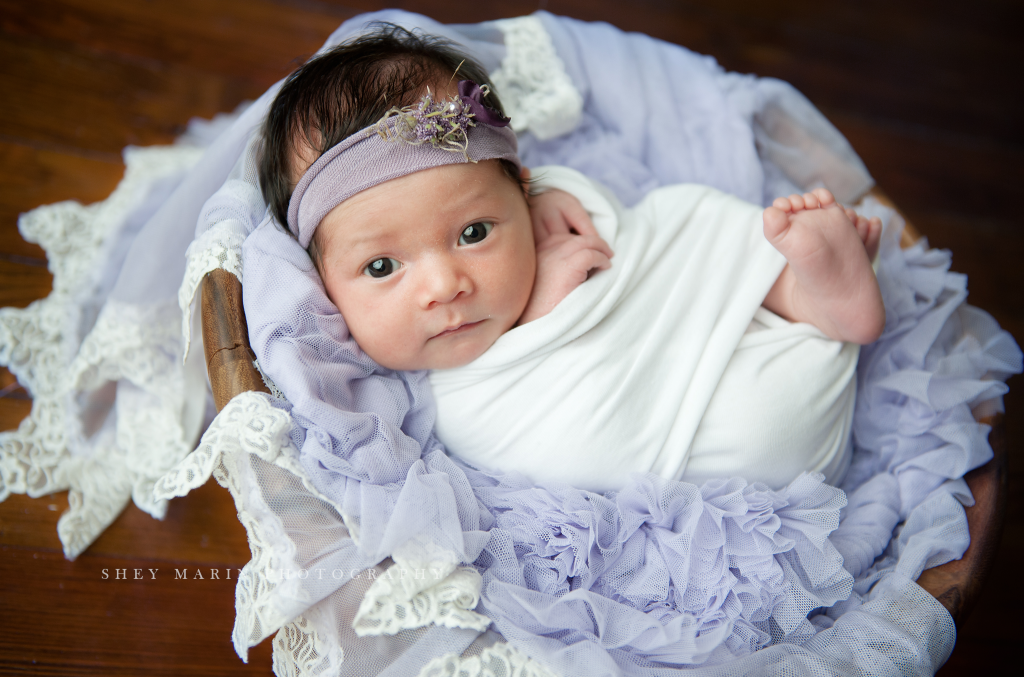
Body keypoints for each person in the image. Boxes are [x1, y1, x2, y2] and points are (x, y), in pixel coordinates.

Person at [258, 24, 885, 493]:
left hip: (690, 322)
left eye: (474, 232)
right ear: (322, 283)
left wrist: (554, 206)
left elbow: (628, 244)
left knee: (680, 218)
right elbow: (565, 434)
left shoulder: (550, 211)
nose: (445, 285)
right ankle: (811, 314)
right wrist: (536, 314)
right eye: (381, 268)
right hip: (749, 435)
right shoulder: (392, 408)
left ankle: (811, 294)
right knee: (575, 454)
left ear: (522, 192)